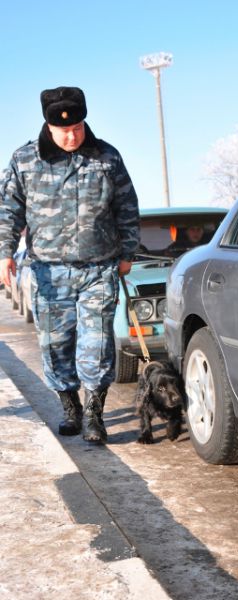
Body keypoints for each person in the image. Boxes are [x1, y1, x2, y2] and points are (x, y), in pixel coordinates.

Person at [0, 86, 140, 444]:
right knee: (56, 344)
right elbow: (8, 210)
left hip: (98, 270)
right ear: (48, 125)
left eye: (77, 126)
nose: (72, 134)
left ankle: (94, 413)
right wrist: (4, 253)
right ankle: (70, 407)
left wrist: (127, 253)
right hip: (49, 272)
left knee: (96, 344)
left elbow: (126, 206)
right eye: (64, 129)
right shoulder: (25, 160)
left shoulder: (106, 157)